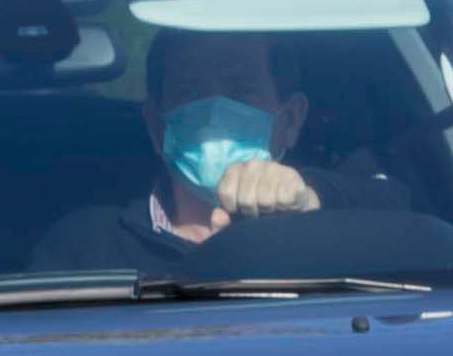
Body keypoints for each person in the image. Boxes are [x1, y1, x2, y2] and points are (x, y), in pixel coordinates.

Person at [29, 25, 322, 270]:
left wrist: (311, 211)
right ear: (157, 127)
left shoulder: (332, 237)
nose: (213, 114)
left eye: (240, 90)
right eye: (191, 92)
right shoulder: (84, 247)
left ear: (290, 120)